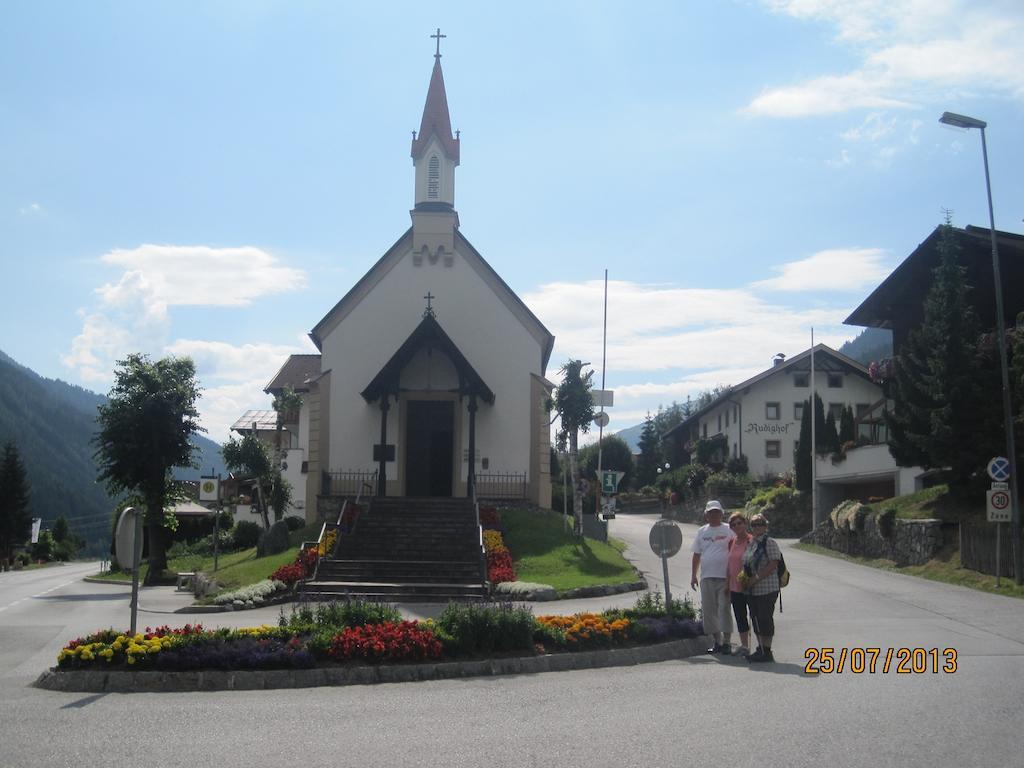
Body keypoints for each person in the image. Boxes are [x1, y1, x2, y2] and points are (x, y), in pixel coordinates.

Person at [690, 499, 735, 654]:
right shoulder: (701, 531)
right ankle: (717, 641)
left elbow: (740, 546)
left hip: (725, 577)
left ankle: (727, 642)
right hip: (706, 576)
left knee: (724, 609)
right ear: (706, 515)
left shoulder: (729, 529)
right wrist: (693, 575)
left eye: (717, 512)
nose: (714, 515)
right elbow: (696, 554)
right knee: (709, 610)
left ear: (722, 513)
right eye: (711, 513)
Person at [743, 514, 782, 663]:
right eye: (754, 525)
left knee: (765, 618)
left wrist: (756, 578)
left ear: (765, 526)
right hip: (753, 589)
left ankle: (767, 650)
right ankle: (760, 648)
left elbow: (773, 564)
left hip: (767, 588)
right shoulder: (751, 543)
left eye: (760, 524)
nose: (757, 527)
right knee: (756, 619)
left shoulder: (769, 542)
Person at [725, 512, 752, 657]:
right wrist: (727, 584)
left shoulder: (752, 541)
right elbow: (729, 565)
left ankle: (761, 647)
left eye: (739, 523)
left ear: (745, 524)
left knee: (754, 616)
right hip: (735, 586)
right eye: (733, 525)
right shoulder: (732, 542)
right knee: (740, 616)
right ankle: (744, 646)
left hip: (750, 586)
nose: (737, 526)